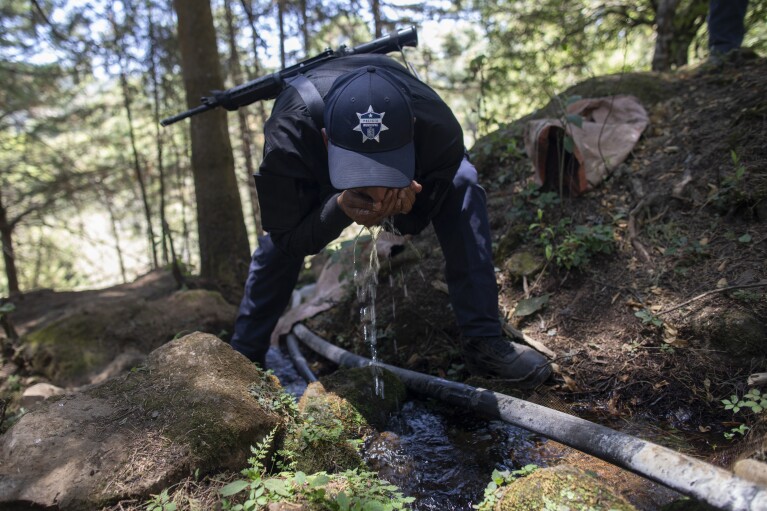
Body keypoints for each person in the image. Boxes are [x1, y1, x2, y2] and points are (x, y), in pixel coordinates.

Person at [230, 52, 551, 387]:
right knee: (274, 250)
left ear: (412, 132)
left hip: (416, 149)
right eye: (361, 171)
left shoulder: (438, 128)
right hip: (312, 151)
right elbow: (287, 239)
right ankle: (243, 356)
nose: (375, 189)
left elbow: (414, 226)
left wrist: (410, 206)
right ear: (327, 139)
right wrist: (338, 208)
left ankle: (485, 341)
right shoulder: (289, 136)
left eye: (384, 168)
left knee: (463, 183)